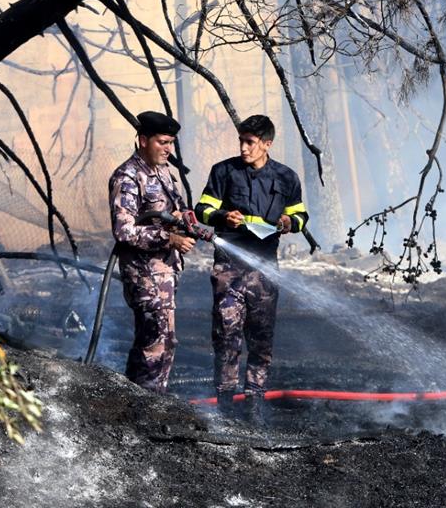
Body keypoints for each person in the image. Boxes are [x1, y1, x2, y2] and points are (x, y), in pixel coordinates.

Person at [194, 115, 308, 418]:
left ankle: (255, 401)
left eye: (251, 143)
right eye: (241, 141)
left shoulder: (286, 177)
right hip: (229, 268)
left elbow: (300, 216)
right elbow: (202, 210)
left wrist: (287, 222)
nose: (244, 148)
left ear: (267, 144)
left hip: (264, 269)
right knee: (226, 336)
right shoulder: (224, 172)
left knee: (261, 338)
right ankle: (225, 403)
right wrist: (221, 217)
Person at [108, 111, 194, 393]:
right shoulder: (128, 176)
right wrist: (168, 238)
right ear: (143, 140)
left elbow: (169, 211)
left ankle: (137, 401)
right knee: (156, 342)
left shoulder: (164, 172)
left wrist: (182, 217)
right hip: (144, 275)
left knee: (163, 340)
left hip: (164, 273)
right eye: (162, 142)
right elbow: (125, 231)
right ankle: (149, 408)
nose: (168, 149)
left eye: (171, 143)